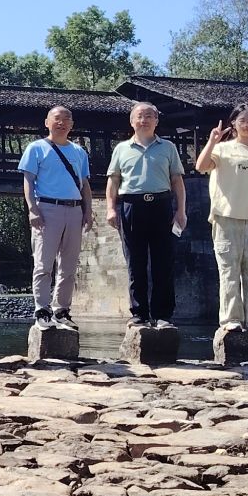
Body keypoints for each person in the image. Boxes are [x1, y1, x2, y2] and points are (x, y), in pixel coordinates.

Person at [194, 103, 248, 332]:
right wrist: (212, 141)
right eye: (242, 120)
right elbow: (201, 166)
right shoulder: (222, 149)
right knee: (228, 271)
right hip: (226, 216)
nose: (247, 124)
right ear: (233, 123)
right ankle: (231, 319)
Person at [103, 102, 188, 330]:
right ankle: (139, 313)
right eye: (139, 116)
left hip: (161, 205)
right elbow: (113, 181)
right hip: (131, 206)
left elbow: (177, 180)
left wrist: (181, 210)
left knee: (163, 262)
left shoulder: (168, 147)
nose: (144, 120)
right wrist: (111, 208)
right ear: (132, 121)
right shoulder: (121, 149)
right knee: (135, 263)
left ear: (156, 121)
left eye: (149, 116)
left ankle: (163, 315)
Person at [18, 106, 93, 329]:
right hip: (47, 208)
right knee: (43, 264)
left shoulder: (79, 152)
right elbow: (28, 181)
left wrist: (88, 211)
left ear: (72, 125)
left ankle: (62, 310)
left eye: (66, 119)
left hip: (74, 209)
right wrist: (32, 209)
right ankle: (42, 310)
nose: (61, 123)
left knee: (69, 265)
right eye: (57, 119)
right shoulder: (36, 148)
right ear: (47, 122)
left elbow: (84, 184)